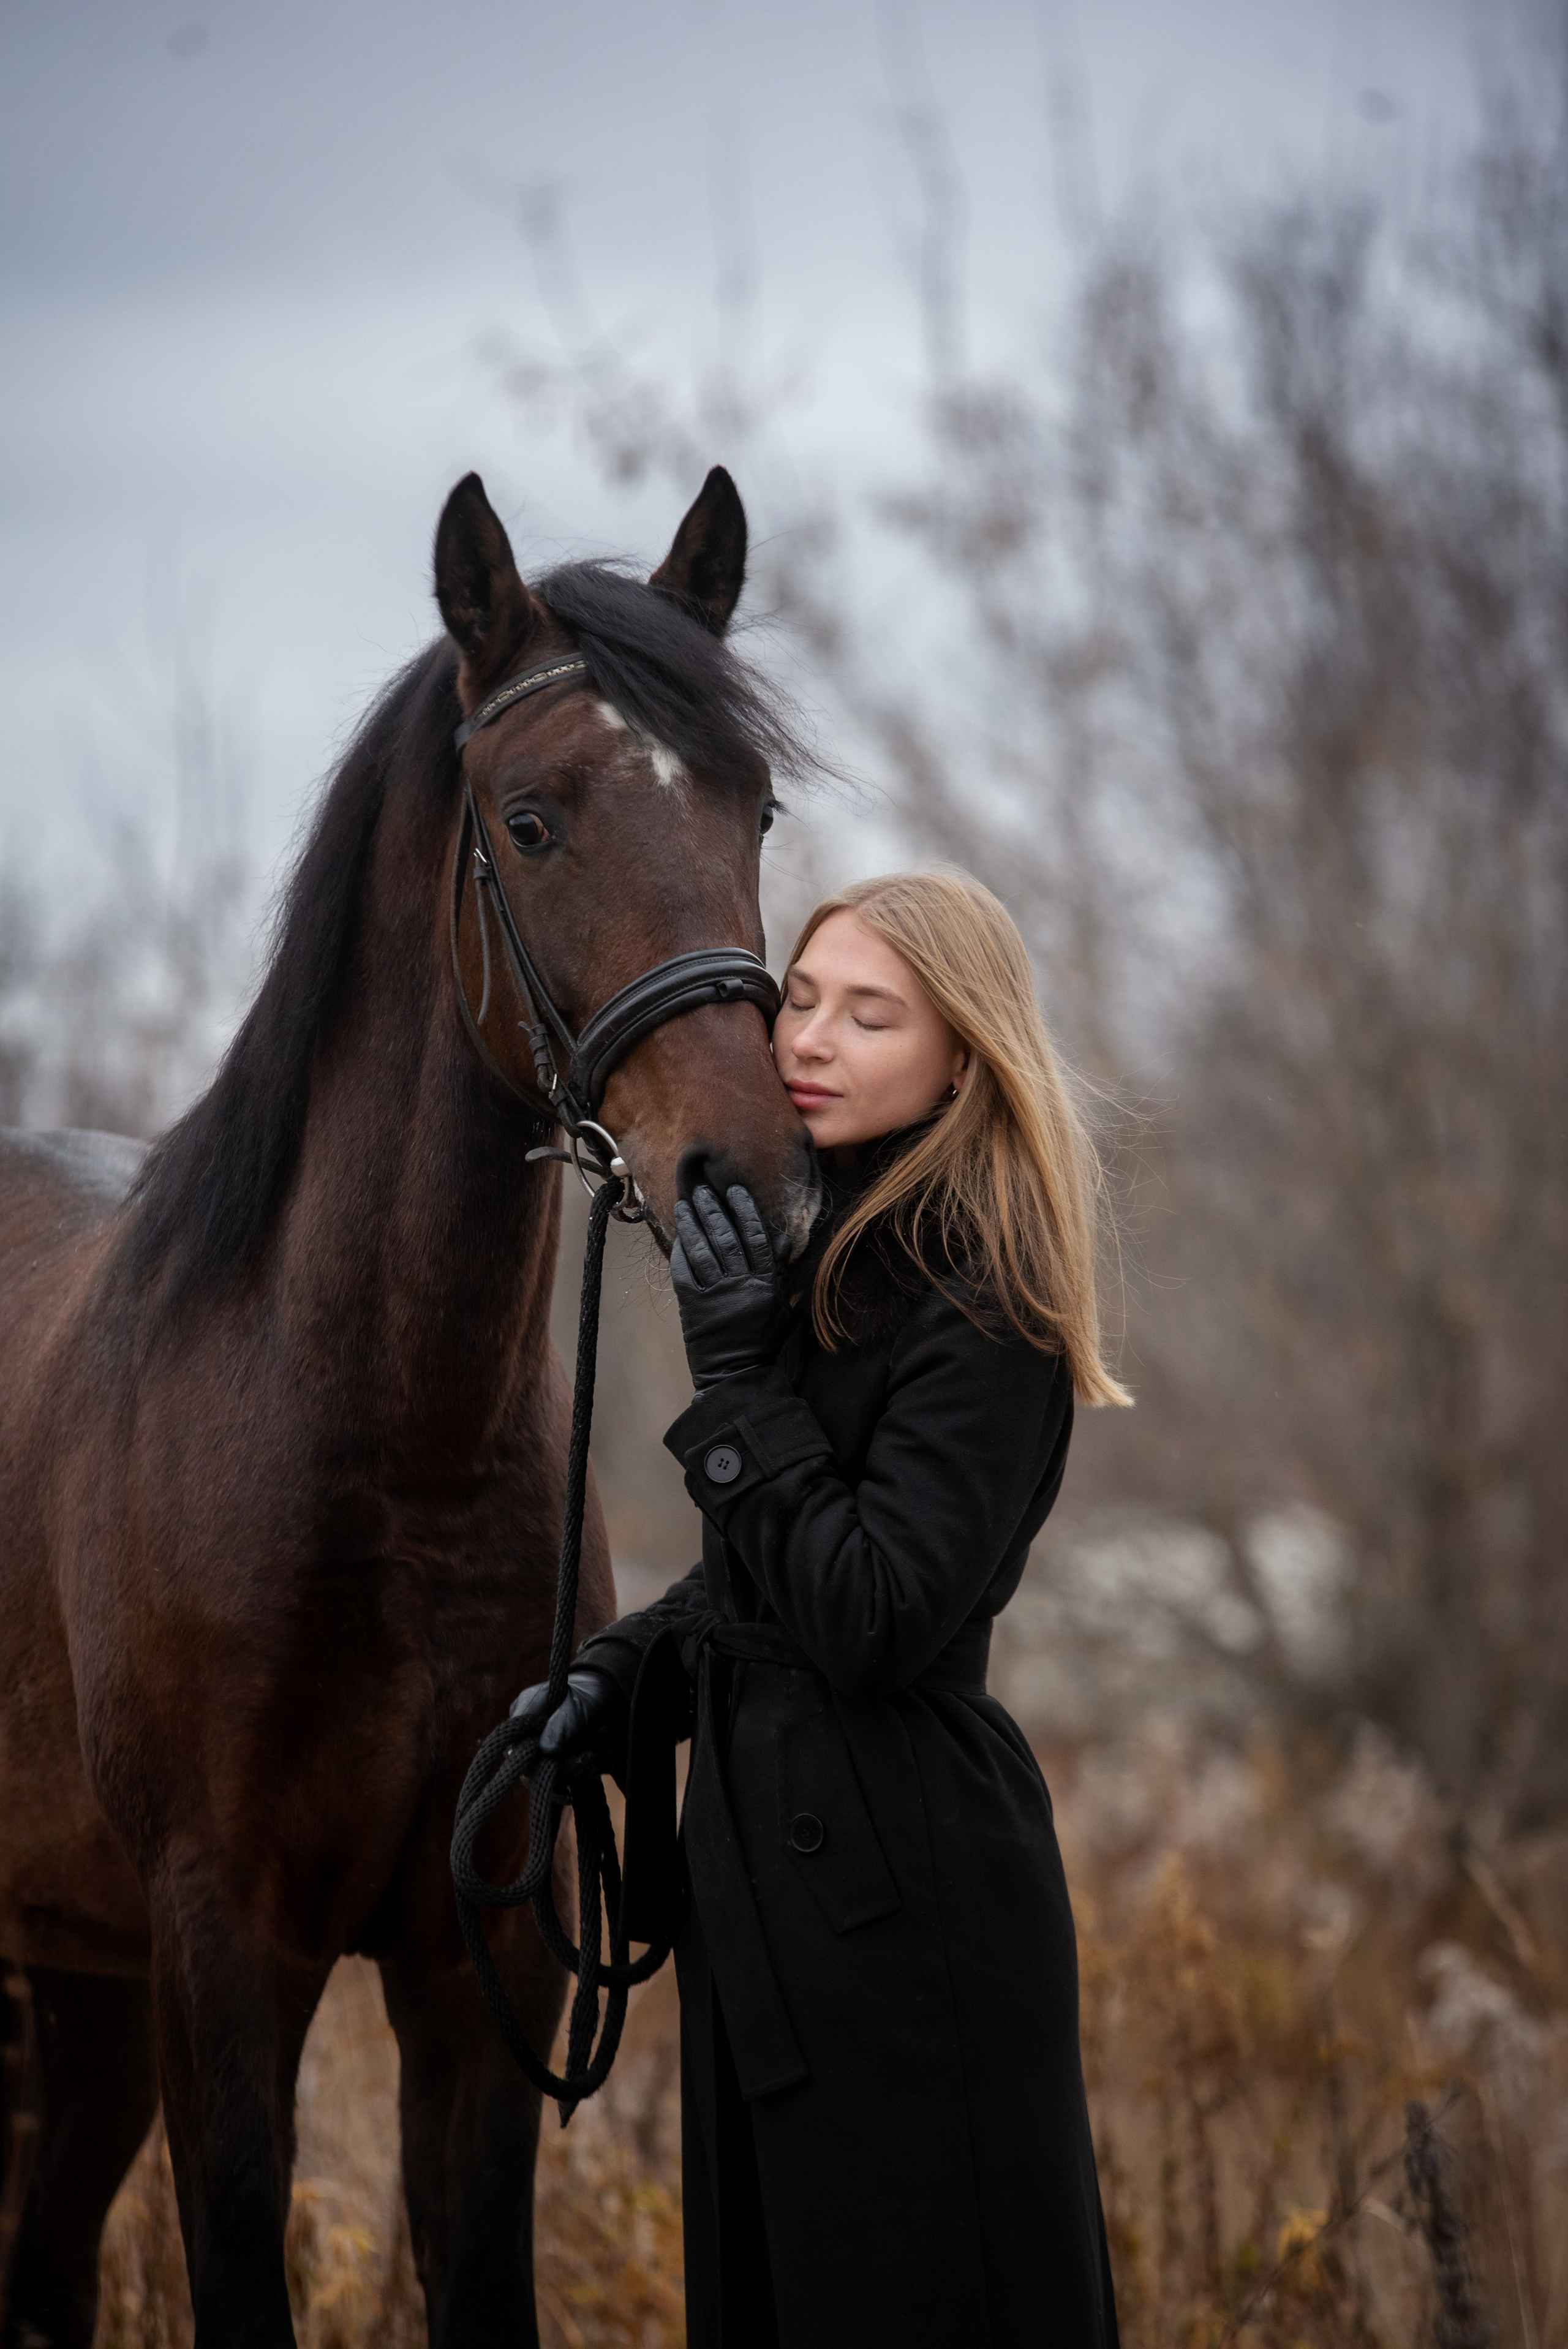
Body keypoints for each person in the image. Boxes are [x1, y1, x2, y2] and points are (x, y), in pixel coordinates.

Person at [512, 869, 1129, 2347]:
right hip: (772, 1909)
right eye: (800, 997)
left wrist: (734, 1385)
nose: (812, 1037)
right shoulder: (812, 1254)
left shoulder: (987, 1297)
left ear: (960, 1058)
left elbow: (870, 1616)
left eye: (871, 1014)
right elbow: (758, 1593)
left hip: (904, 1912)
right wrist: (612, 1683)